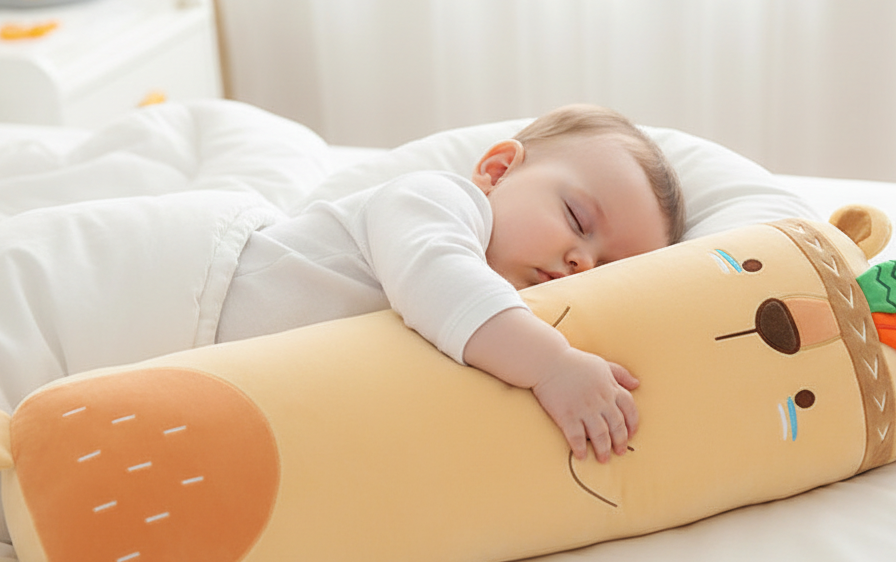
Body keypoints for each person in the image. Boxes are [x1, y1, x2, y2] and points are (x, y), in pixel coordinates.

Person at [216, 104, 685, 463]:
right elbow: (438, 278)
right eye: (577, 220)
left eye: (604, 269)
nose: (583, 261)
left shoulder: (503, 335)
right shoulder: (434, 199)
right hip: (204, 282)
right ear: (498, 171)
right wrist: (553, 366)